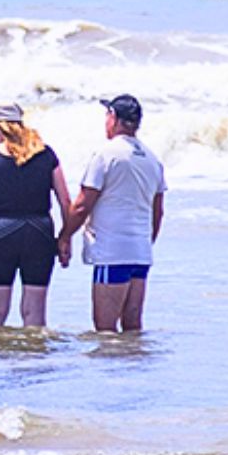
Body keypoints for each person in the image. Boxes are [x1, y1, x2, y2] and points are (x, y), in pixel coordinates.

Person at [58, 94, 167, 332]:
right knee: (132, 328)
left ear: (114, 118)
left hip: (113, 251)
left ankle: (111, 371)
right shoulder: (152, 159)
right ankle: (133, 369)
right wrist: (146, 243)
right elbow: (158, 212)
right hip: (141, 252)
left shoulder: (106, 155)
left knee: (105, 329)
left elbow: (82, 205)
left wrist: (65, 236)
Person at [0, 102, 72, 327]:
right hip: (39, 232)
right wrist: (65, 238)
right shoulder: (46, 155)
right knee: (34, 311)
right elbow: (65, 201)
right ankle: (33, 358)